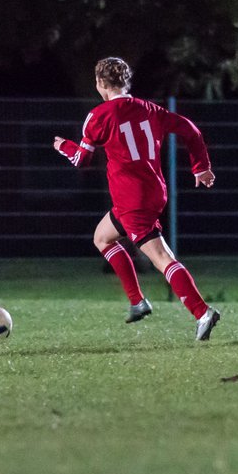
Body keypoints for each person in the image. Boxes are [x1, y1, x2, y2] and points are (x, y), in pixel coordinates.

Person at [53, 57, 221, 340]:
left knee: (161, 257)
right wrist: (201, 166)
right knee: (102, 237)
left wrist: (62, 145)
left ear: (100, 83)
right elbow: (190, 129)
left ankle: (202, 311)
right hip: (152, 192)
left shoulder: (98, 116)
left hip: (133, 199)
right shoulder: (150, 109)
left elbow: (81, 160)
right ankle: (137, 301)